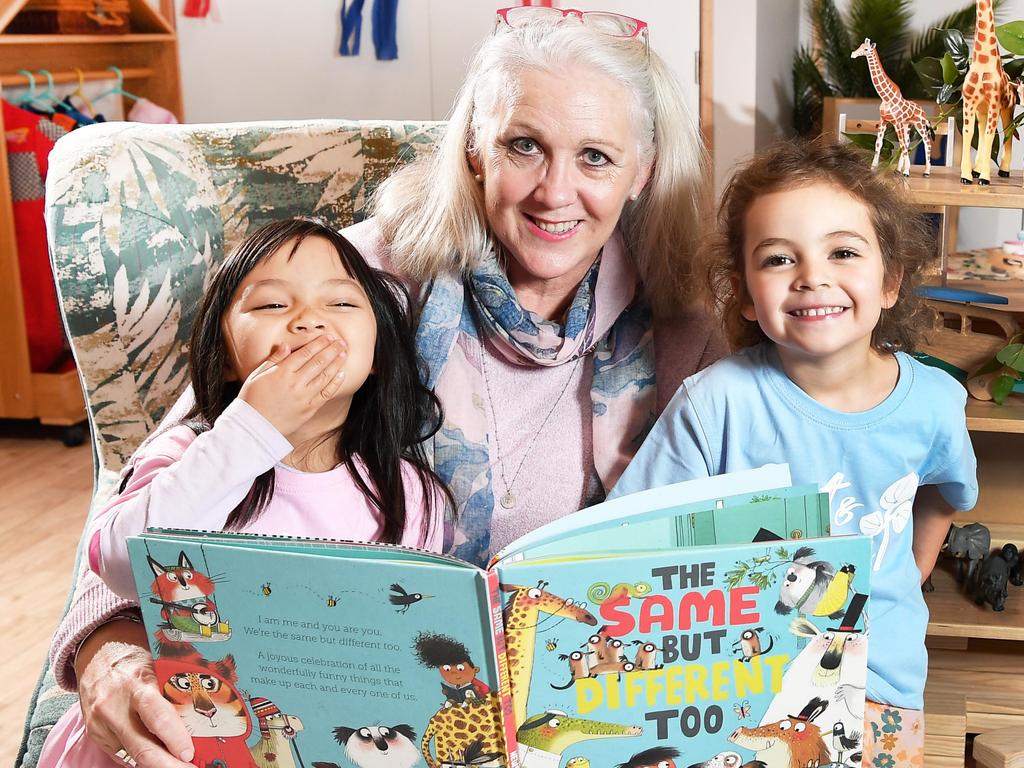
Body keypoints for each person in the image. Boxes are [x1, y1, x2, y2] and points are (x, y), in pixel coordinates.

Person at [42, 7, 724, 768]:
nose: (554, 192)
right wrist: (109, 645)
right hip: (347, 703)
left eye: (596, 156)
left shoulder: (683, 332)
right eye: (523, 146)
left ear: (644, 171)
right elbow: (191, 454)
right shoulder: (362, 279)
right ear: (474, 150)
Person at [611, 138, 979, 765]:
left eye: (842, 251)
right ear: (747, 296)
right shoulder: (715, 403)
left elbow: (944, 492)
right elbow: (634, 532)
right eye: (780, 258)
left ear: (888, 280)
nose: (813, 276)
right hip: (743, 675)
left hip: (881, 681)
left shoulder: (935, 402)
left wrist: (907, 576)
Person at [39, 216, 452, 766]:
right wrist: (251, 432)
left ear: (376, 354)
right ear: (227, 356)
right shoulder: (187, 456)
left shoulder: (411, 494)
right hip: (170, 735)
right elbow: (118, 562)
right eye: (273, 306)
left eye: (341, 304)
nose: (308, 322)